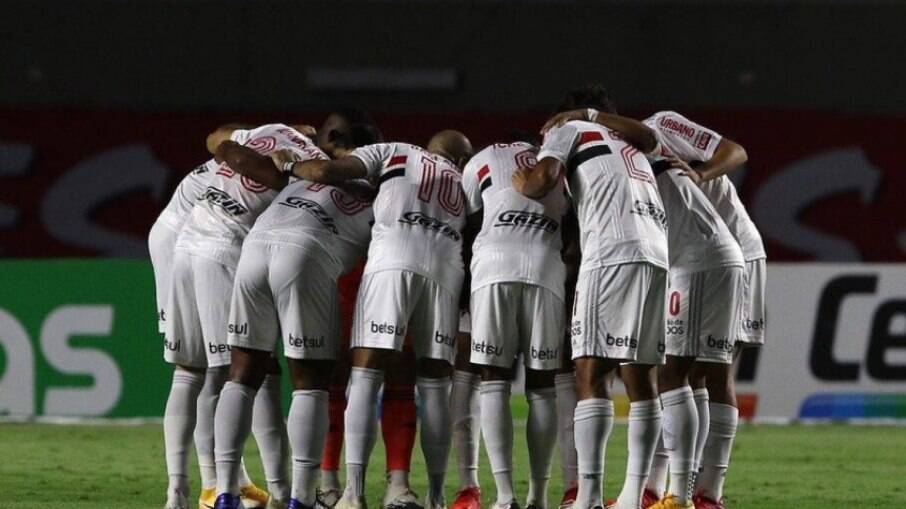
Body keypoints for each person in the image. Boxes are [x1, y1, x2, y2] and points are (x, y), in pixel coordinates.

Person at [287, 131, 474, 509]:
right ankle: (436, 496)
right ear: (460, 159)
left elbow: (327, 170)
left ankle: (353, 493)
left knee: (366, 374)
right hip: (446, 266)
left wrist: (289, 164)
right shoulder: (465, 179)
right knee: (435, 383)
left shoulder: (396, 150)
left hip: (394, 257)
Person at [207, 116, 381, 509]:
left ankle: (225, 493)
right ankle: (301, 499)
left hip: (256, 247)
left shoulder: (303, 175)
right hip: (306, 253)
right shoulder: (380, 195)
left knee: (241, 373)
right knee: (311, 381)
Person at [513, 85, 667, 509]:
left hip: (612, 253)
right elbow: (653, 139)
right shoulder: (629, 142)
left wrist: (523, 180)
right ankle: (635, 496)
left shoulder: (568, 128)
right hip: (655, 252)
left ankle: (590, 497)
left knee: (589, 371)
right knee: (640, 376)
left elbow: (539, 183)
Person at [157, 123, 299, 509]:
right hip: (206, 244)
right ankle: (222, 487)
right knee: (233, 370)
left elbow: (217, 140)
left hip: (185, 239)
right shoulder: (295, 162)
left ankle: (193, 488)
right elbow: (218, 140)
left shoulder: (256, 137)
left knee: (195, 371)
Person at [644, 111, 760, 509]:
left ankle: (704, 492)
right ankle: (676, 489)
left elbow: (736, 151)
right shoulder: (625, 158)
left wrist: (701, 173)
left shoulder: (660, 125)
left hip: (731, 250)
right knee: (689, 372)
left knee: (710, 370)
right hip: (700, 255)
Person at [460, 138, 572, 509]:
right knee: (542, 383)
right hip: (546, 269)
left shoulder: (484, 157)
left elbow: (466, 213)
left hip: (493, 267)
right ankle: (538, 496)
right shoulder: (558, 164)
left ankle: (505, 497)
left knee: (493, 378)